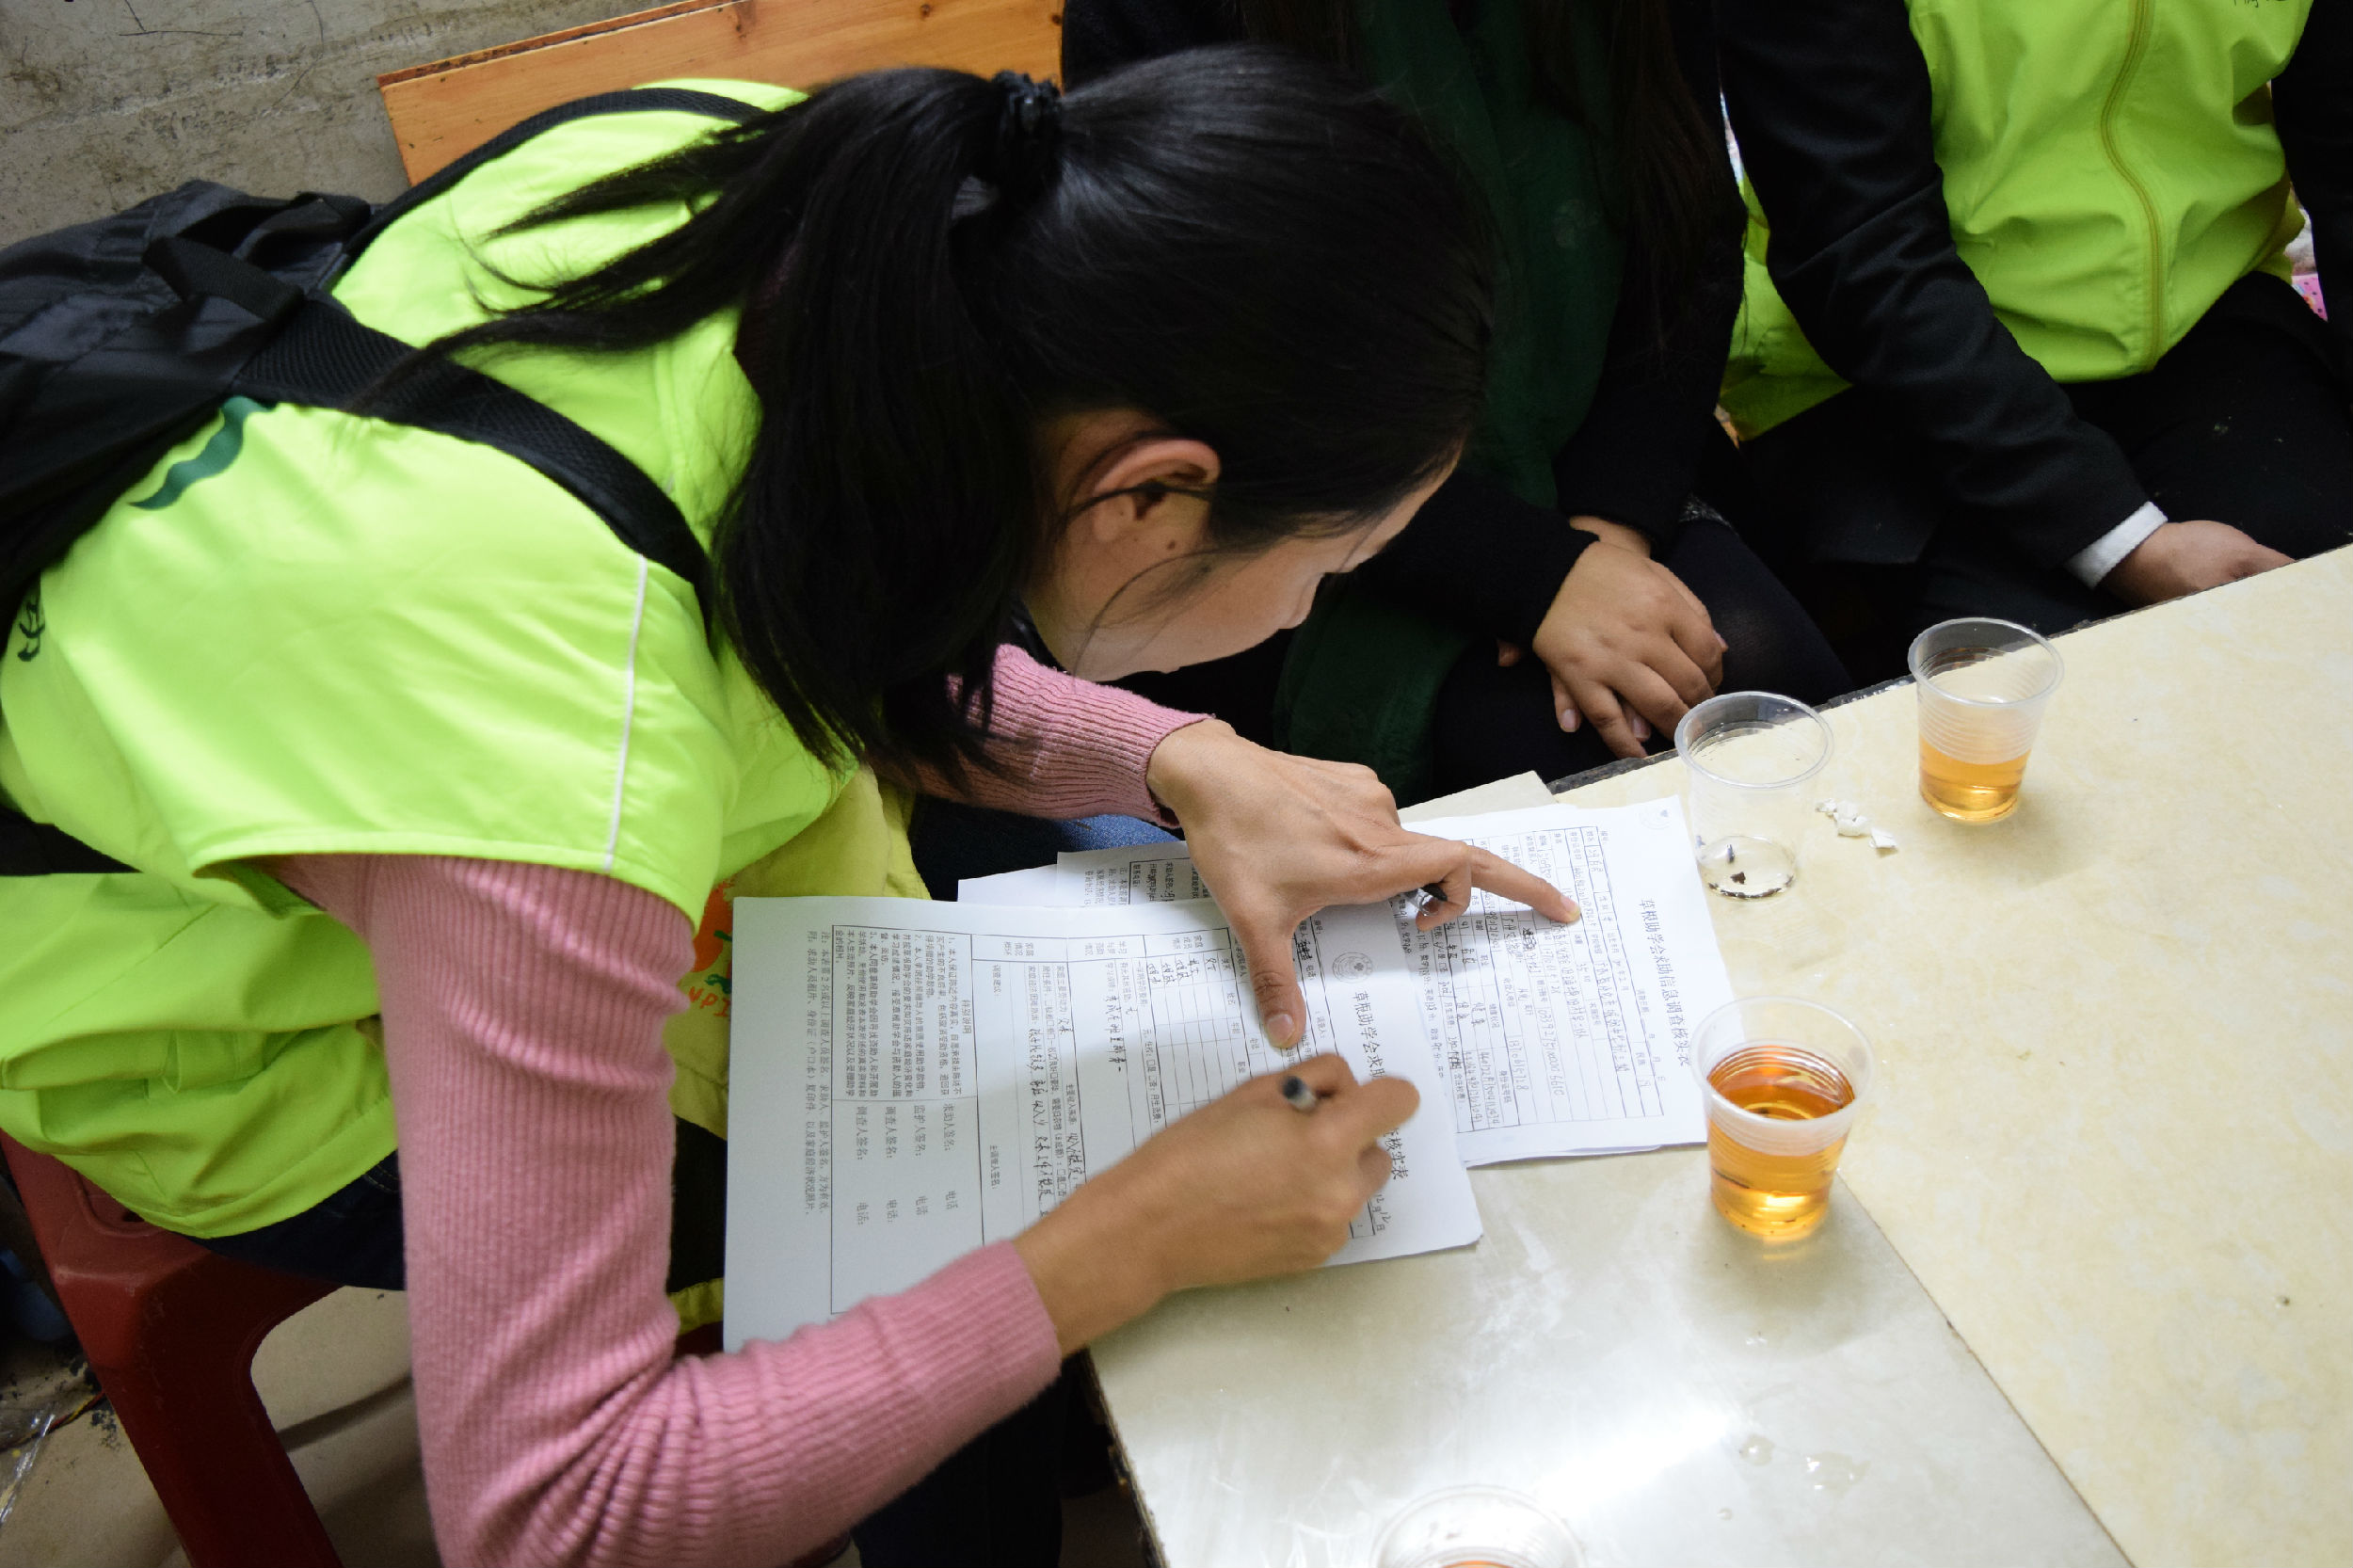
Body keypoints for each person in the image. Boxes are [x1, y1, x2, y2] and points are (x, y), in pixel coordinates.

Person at [0, 56, 1578, 1566]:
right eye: (1329, 569)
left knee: (1012, 1057)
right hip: (225, 1016)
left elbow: (804, 609)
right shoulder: (547, 760)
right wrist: (1124, 1247)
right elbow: (556, 1513)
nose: (1307, 611)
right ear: (1148, 495)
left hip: (432, 764)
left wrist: (1176, 759)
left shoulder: (845, 200)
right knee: (922, 1208)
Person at [1064, 0, 1850, 800]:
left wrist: (1606, 536)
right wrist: (1529, 573)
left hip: (1600, 453)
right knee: (1561, 751)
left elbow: (1690, 246)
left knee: (1770, 683)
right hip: (1312, 511)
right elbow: (1213, 378)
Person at [1717, 0, 2353, 681]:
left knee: (2314, 637)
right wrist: (2123, 542)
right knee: (2063, 691)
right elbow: (1860, 246)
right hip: (1885, 370)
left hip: (2202, 314)